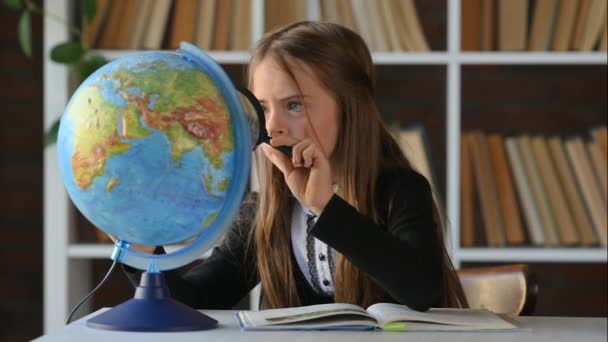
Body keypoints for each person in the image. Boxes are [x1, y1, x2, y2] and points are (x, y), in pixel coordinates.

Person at [124, 21, 468, 311]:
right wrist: (140, 249)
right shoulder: (266, 212)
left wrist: (325, 207)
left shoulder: (401, 191)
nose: (273, 127)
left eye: (293, 105)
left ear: (350, 110)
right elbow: (194, 300)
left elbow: (424, 292)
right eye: (263, 107)